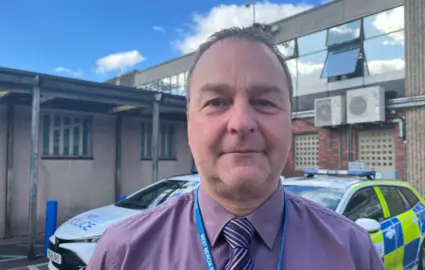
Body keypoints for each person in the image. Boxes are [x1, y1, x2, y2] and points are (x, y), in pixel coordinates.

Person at [87, 25, 385, 270]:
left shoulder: (353, 252)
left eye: (264, 102)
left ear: (290, 123)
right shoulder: (121, 255)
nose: (241, 123)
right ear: (189, 124)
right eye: (216, 102)